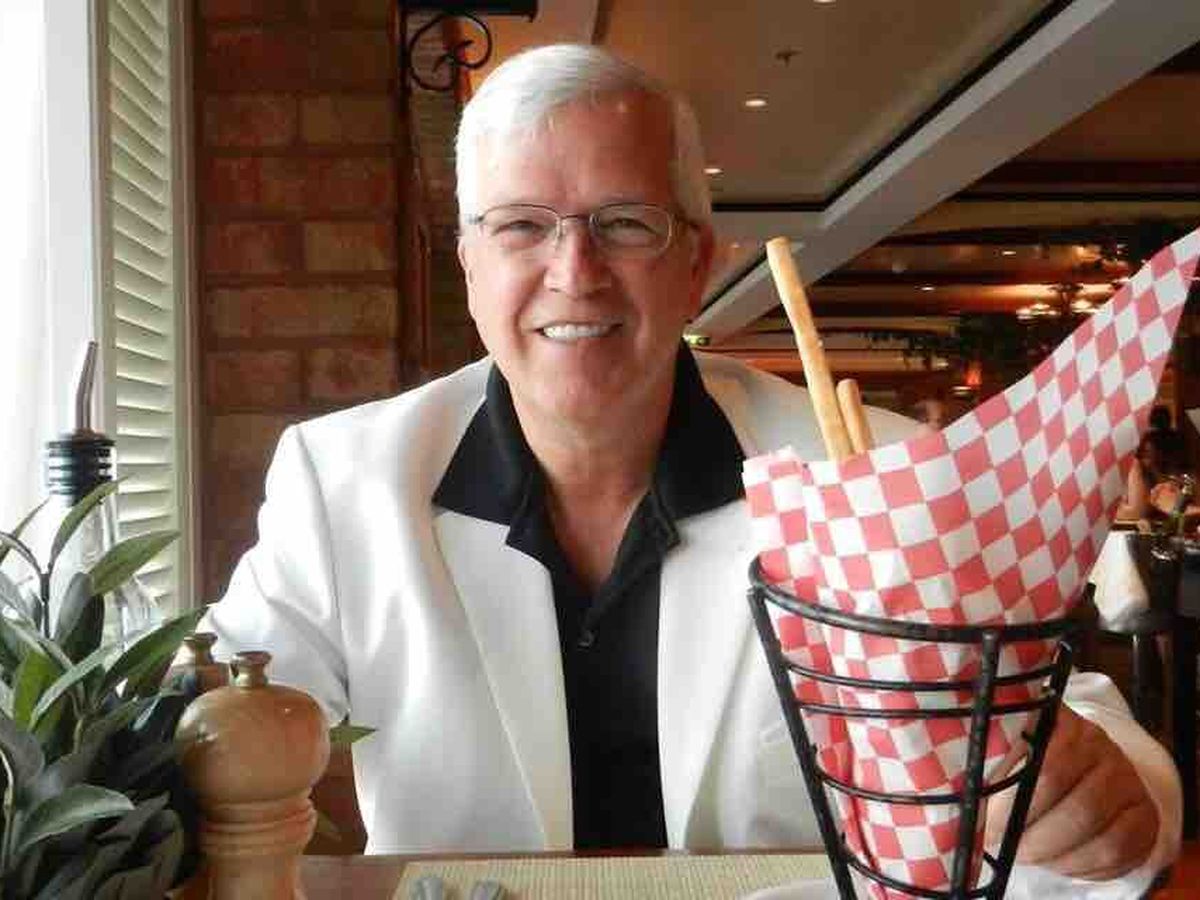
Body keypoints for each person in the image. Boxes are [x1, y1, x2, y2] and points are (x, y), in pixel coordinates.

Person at [204, 44, 1179, 896]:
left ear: (697, 262)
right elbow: (213, 716)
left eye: (625, 223)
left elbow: (1077, 723)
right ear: (469, 264)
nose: (574, 270)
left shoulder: (868, 472)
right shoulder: (344, 483)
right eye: (522, 226)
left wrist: (1110, 799)